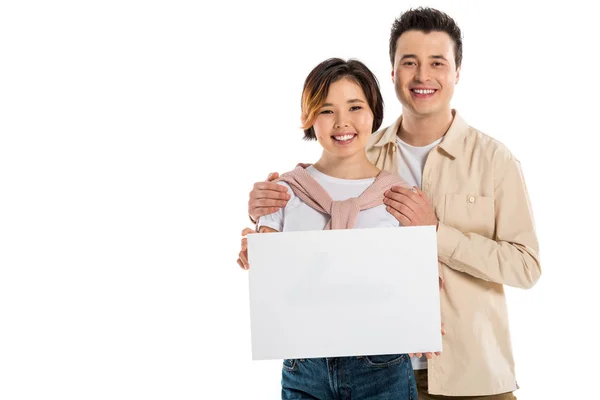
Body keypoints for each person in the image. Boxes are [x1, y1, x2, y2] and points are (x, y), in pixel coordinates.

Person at [239, 7, 540, 400]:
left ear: (457, 73)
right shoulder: (360, 151)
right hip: (378, 363)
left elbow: (526, 267)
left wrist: (435, 233)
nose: (423, 76)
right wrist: (262, 215)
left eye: (437, 63)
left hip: (470, 373)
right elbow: (309, 214)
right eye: (409, 63)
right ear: (393, 73)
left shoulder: (494, 160)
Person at [242, 57, 424, 399]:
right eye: (326, 110)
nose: (342, 122)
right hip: (304, 366)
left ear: (374, 111)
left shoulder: (399, 196)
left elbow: (414, 279)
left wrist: (424, 322)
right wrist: (254, 253)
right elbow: (270, 282)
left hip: (381, 366)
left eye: (355, 106)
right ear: (309, 118)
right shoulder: (283, 192)